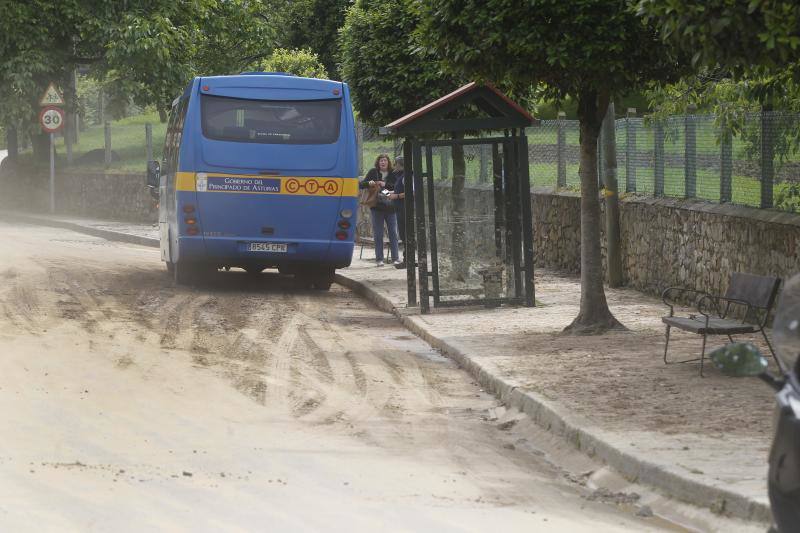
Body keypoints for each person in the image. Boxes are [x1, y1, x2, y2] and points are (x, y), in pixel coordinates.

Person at [360, 153, 400, 266]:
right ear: (378, 162)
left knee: (393, 233)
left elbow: (397, 187)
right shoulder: (373, 172)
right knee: (378, 234)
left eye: (385, 160)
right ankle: (379, 259)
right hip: (377, 207)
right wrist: (369, 183)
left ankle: (395, 258)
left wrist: (385, 184)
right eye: (381, 160)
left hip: (391, 208)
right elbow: (361, 185)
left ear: (388, 162)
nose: (383, 162)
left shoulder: (393, 173)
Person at [388, 156, 407, 269]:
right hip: (400, 209)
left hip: (405, 209)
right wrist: (386, 192)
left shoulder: (406, 176)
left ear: (400, 165)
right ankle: (407, 259)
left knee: (406, 234)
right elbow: (397, 191)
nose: (394, 166)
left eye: (395, 164)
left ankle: (407, 260)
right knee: (403, 235)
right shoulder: (400, 176)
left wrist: (397, 196)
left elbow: (411, 192)